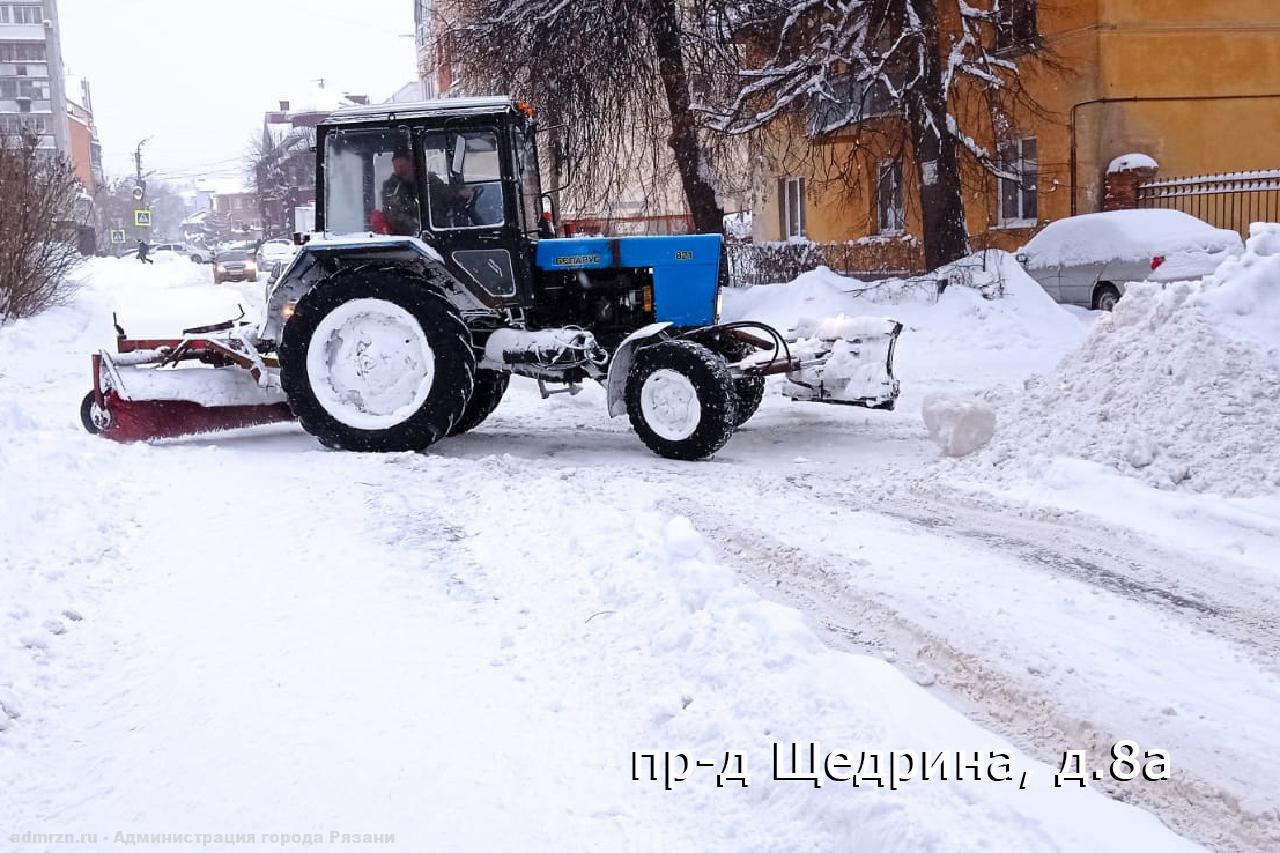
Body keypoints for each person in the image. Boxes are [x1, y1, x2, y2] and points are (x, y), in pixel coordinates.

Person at [381, 150, 422, 236]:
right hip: (402, 237)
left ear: (411, 164)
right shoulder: (391, 188)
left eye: (402, 166)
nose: (399, 170)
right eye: (396, 167)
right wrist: (416, 227)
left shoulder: (428, 182)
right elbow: (394, 215)